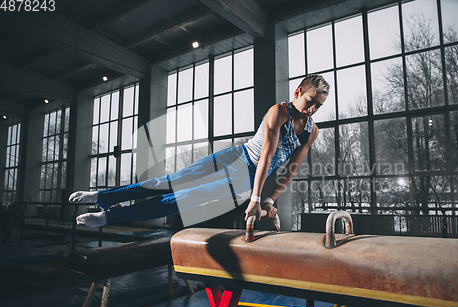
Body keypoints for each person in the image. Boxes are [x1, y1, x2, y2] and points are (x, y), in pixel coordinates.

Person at [69, 74, 329, 228]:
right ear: (297, 92)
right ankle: (102, 196)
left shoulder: (311, 131)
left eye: (318, 105)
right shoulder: (279, 111)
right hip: (238, 156)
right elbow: (266, 157)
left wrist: (270, 199)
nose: (312, 109)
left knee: (183, 199)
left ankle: (109, 218)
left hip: (247, 177)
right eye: (310, 101)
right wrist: (256, 199)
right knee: (168, 182)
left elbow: (291, 169)